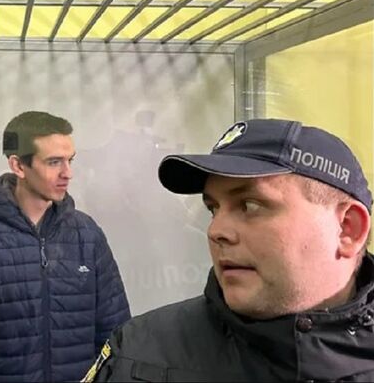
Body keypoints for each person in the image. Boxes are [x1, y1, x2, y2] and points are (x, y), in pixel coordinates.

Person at [86, 118, 374, 382]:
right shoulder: (138, 354)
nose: (215, 231)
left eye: (250, 205)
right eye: (213, 208)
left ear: (348, 229)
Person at [0, 111, 130, 382]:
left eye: (70, 160)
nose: (68, 173)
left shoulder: (87, 235)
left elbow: (116, 335)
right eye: (54, 162)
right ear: (18, 166)